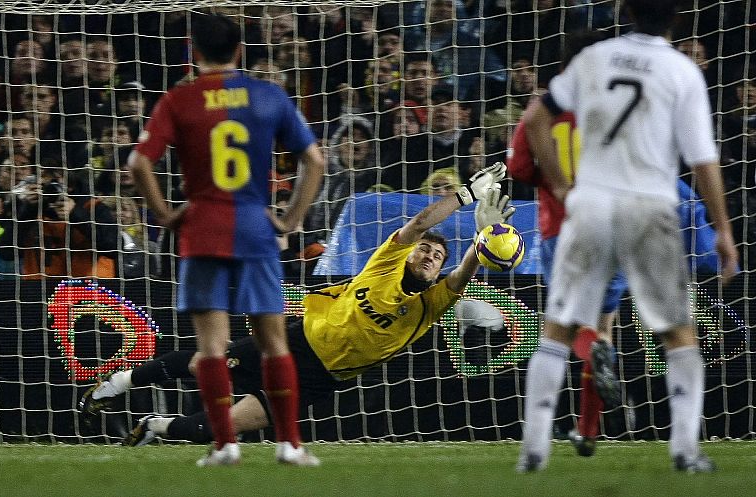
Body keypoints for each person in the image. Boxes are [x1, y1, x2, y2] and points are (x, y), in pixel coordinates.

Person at [81, 163, 512, 447]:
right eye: (425, 251)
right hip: (296, 343)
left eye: (437, 257)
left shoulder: (432, 303)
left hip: (321, 381)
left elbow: (464, 274)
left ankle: (154, 427)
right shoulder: (385, 265)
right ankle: (116, 385)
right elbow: (419, 224)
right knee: (202, 365)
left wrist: (484, 238)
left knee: (221, 429)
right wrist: (465, 196)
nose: (429, 257)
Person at [517, 0, 738, 474]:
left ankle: (533, 451)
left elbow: (535, 119)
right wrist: (722, 230)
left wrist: (558, 183)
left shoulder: (594, 59)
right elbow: (703, 161)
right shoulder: (681, 70)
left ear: (625, 10)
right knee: (678, 332)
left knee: (557, 327)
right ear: (677, 16)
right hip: (649, 204)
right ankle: (684, 450)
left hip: (590, 205)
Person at [127, 13, 325, 467]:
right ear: (240, 51)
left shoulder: (179, 99)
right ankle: (290, 445)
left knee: (212, 346)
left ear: (193, 51)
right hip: (256, 226)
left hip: (202, 228)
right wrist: (290, 219)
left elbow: (139, 165)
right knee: (274, 340)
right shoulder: (268, 95)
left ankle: (225, 446)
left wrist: (165, 215)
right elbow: (314, 160)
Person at [507, 31, 624, 458]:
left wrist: (551, 182)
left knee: (569, 328)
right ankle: (588, 432)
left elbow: (518, 167)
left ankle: (553, 429)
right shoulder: (618, 104)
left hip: (564, 228)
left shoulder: (543, 110)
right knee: (603, 324)